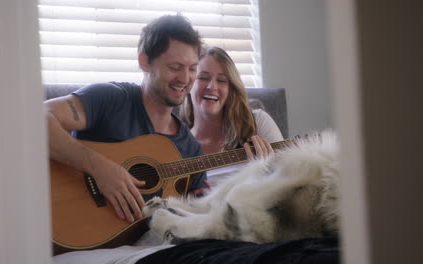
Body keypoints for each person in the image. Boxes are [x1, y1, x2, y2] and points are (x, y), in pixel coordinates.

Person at [44, 14, 207, 224]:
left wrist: (203, 204)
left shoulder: (190, 148)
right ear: (145, 61)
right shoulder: (112, 98)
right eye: (174, 67)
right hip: (74, 220)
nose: (185, 79)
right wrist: (99, 168)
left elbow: (195, 208)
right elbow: (38, 119)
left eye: (192, 68)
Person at [180, 47, 284, 185]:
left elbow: (286, 182)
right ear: (189, 84)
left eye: (222, 80)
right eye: (203, 78)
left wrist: (268, 173)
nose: (212, 86)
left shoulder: (258, 122)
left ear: (231, 89)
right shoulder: (176, 141)